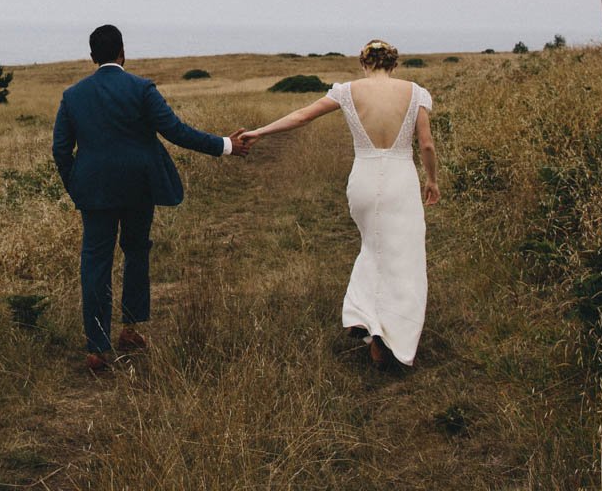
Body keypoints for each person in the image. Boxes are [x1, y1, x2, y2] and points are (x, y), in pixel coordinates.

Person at [52, 24, 252, 373]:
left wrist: (77, 185)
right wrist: (225, 145)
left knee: (95, 263)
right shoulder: (141, 88)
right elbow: (176, 131)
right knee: (136, 251)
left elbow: (60, 150)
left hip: (94, 192)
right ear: (122, 53)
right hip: (138, 188)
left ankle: (97, 348)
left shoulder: (73, 95)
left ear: (92, 57)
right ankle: (130, 329)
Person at [243, 39, 438, 367]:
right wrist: (432, 180)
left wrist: (259, 132)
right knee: (404, 257)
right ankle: (391, 335)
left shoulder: (347, 91)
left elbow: (303, 116)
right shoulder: (416, 93)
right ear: (394, 65)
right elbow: (427, 145)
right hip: (400, 181)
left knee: (372, 248)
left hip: (362, 180)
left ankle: (367, 319)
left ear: (364, 64)